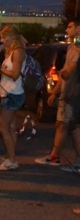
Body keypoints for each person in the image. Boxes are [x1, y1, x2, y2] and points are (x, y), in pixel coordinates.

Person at [36, 18, 80, 169]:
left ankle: (54, 156)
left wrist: (66, 72)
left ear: (78, 29)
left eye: (70, 27)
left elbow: (68, 73)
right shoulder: (71, 48)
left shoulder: (77, 50)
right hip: (67, 93)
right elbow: (64, 75)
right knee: (73, 127)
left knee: (62, 125)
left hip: (72, 95)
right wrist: (55, 92)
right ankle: (77, 161)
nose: (67, 31)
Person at [0, 24, 26, 171]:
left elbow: (15, 75)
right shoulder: (12, 51)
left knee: (3, 128)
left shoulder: (18, 52)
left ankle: (12, 160)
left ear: (13, 36)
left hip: (12, 94)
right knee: (11, 127)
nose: (2, 40)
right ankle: (10, 156)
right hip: (9, 93)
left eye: (4, 37)